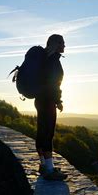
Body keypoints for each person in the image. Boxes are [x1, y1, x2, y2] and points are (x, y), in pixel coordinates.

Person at [35, 34, 67, 181]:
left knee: (41, 132)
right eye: (62, 43)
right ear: (56, 44)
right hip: (48, 101)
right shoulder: (53, 60)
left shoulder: (43, 60)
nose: (65, 46)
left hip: (40, 100)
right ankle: (49, 169)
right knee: (48, 134)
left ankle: (43, 164)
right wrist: (58, 100)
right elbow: (54, 84)